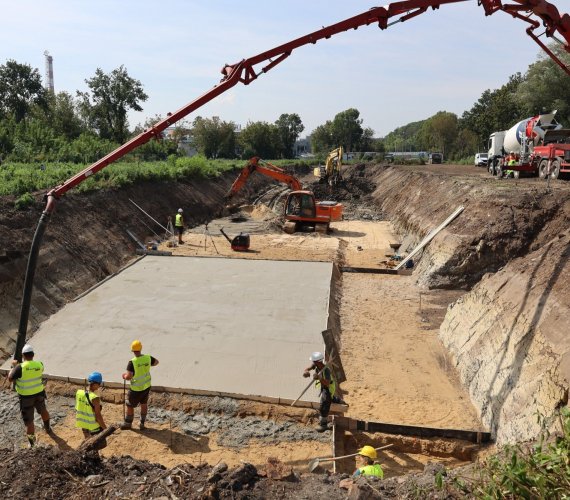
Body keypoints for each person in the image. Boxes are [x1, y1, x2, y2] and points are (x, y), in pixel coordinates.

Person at [8, 344, 51, 447]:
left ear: (23, 355)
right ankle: (48, 428)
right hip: (39, 393)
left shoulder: (20, 367)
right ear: (33, 354)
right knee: (43, 410)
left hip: (26, 397)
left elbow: (10, 378)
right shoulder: (39, 364)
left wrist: (13, 366)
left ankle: (32, 444)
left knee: (29, 421)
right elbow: (37, 370)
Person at [121, 340, 159, 430]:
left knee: (129, 405)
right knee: (144, 403)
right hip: (146, 386)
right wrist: (146, 366)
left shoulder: (132, 362)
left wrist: (124, 376)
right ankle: (142, 423)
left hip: (136, 389)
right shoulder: (148, 358)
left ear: (133, 350)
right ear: (141, 348)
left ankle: (127, 423)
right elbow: (157, 362)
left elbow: (129, 376)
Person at [303, 351, 336, 432]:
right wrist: (306, 371)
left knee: (324, 404)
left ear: (318, 362)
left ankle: (323, 425)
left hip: (328, 388)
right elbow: (308, 368)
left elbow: (327, 383)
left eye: (314, 361)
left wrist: (319, 378)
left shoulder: (326, 370)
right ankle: (336, 399)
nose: (313, 363)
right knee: (329, 399)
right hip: (323, 386)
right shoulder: (316, 365)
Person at [75, 372, 107, 449]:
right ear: (95, 384)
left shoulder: (79, 393)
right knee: (101, 444)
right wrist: (105, 429)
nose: (99, 386)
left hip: (83, 425)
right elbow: (98, 417)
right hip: (93, 427)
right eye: (99, 384)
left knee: (88, 441)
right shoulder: (94, 398)